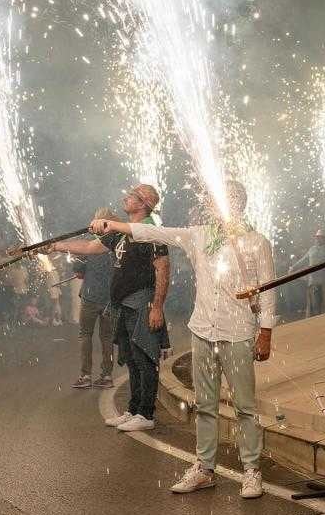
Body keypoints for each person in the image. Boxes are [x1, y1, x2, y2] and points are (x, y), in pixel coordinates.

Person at [89, 181, 275, 500]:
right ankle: (204, 469)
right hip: (202, 330)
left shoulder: (257, 242)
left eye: (225, 200)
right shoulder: (199, 235)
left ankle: (251, 470)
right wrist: (112, 225)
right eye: (215, 200)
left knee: (244, 406)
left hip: (239, 332)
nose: (216, 205)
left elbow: (269, 290)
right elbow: (154, 233)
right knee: (205, 405)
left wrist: (266, 332)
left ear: (240, 204)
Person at [22, 184, 170, 432]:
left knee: (145, 358)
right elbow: (91, 248)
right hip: (123, 303)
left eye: (132, 195)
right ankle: (133, 410)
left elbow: (163, 269)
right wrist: (56, 246)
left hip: (141, 300)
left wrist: (157, 306)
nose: (125, 197)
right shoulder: (122, 233)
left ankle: (146, 414)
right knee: (132, 360)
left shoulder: (150, 230)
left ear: (143, 203)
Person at [70, 207, 117, 390]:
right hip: (109, 299)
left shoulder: (88, 246)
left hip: (90, 297)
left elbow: (79, 273)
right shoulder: (116, 245)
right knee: (107, 338)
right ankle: (107, 375)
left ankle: (85, 375)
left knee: (85, 335)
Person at [289, 229, 325, 317]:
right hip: (312, 281)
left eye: (320, 237)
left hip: (324, 281)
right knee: (314, 305)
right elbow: (303, 260)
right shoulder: (312, 249)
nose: (318, 239)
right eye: (317, 237)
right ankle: (315, 323)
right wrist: (293, 267)